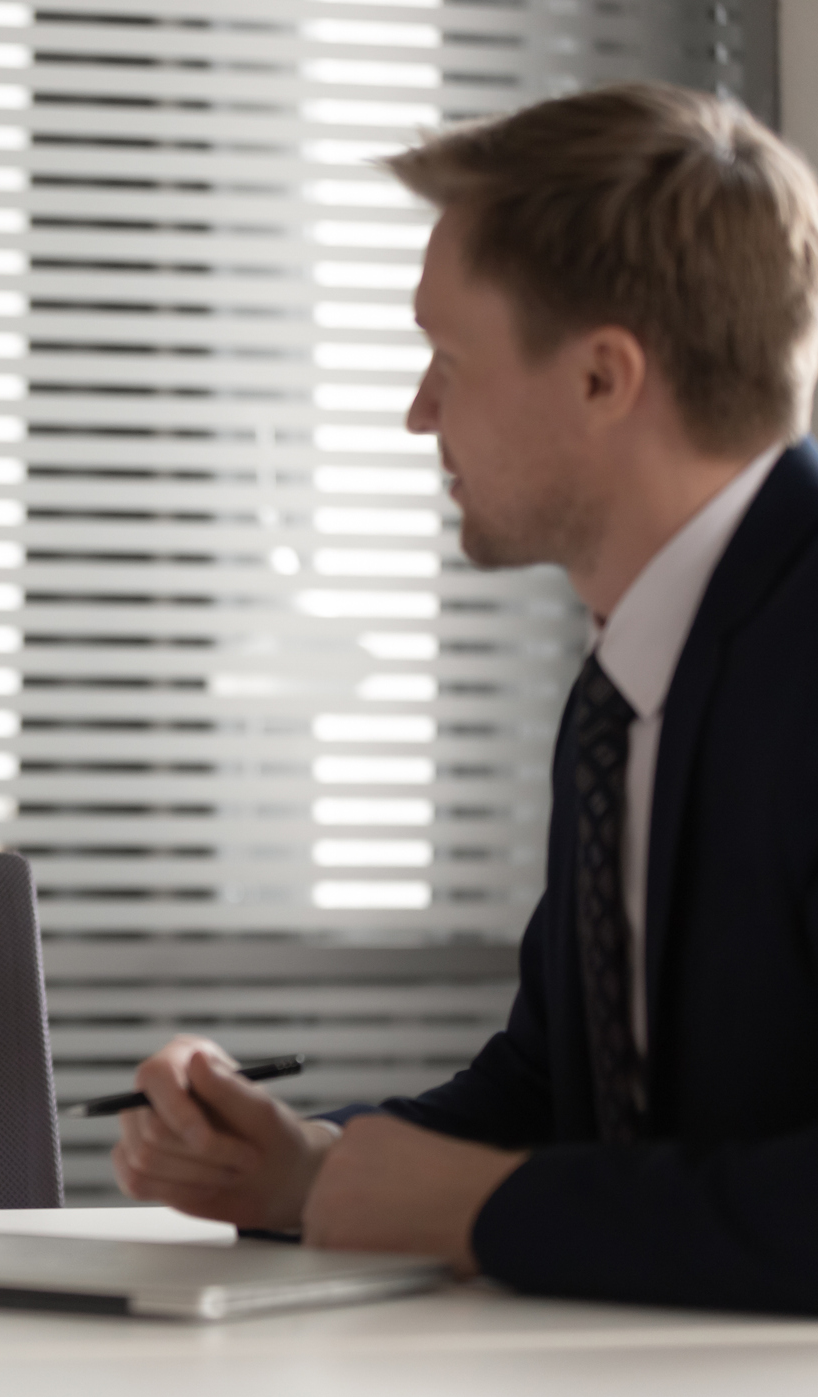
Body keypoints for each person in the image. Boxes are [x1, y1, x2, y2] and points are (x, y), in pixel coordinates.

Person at [111, 83, 818, 1313]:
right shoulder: (633, 676)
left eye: (447, 357)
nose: (418, 411)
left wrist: (483, 1209)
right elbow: (563, 1087)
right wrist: (303, 1167)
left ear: (603, 379)